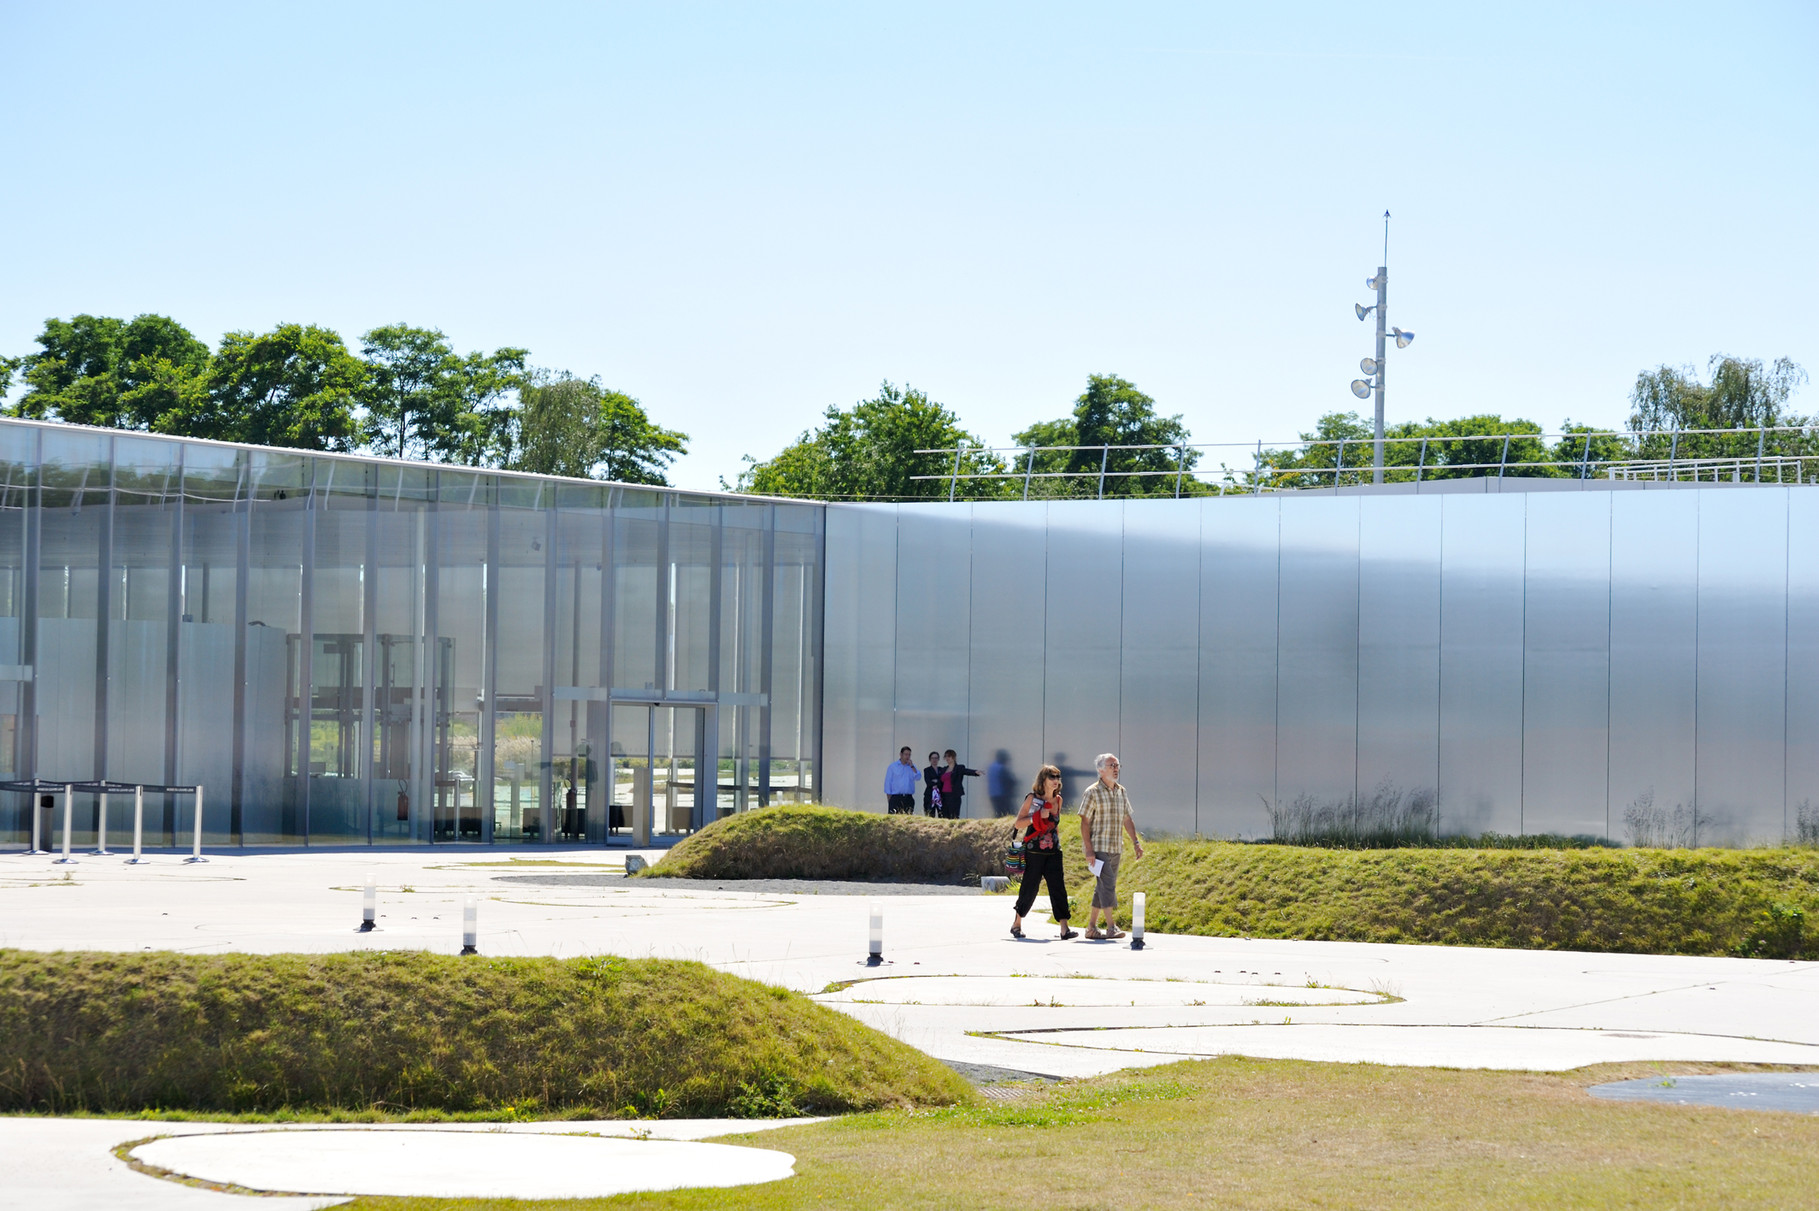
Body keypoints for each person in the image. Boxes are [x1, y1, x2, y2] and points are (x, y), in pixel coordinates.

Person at [1079, 752, 1143, 940]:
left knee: (1102, 886)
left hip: (1116, 846)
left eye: (1117, 766)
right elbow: (1084, 822)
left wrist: (1136, 842)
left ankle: (1091, 927)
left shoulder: (1121, 791)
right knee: (1108, 885)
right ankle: (1111, 926)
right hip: (1099, 846)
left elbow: (1127, 818)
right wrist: (1089, 849)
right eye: (1111, 766)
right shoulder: (1092, 792)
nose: (1116, 769)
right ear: (1100, 770)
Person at [1010, 764, 1076, 940]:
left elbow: (1054, 826)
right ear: (1043, 780)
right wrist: (1037, 816)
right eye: (1052, 777)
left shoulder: (1058, 800)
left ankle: (1064, 929)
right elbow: (1018, 823)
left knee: (1058, 888)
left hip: (1054, 851)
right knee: (1029, 888)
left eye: (1057, 777)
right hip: (1034, 852)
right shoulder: (1033, 799)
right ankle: (1017, 923)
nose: (1056, 781)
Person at [937, 749, 980, 820]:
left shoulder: (959, 768)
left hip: (954, 795)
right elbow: (940, 781)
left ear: (953, 757)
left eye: (949, 756)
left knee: (953, 816)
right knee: (945, 816)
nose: (947, 758)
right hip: (944, 796)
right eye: (946, 756)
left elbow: (966, 771)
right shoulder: (944, 769)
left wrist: (975, 772)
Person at [884, 746, 918, 814]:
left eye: (909, 754)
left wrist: (912, 766)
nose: (907, 756)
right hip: (896, 797)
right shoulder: (893, 766)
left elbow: (918, 777)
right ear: (901, 754)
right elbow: (888, 783)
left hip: (908, 797)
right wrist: (890, 799)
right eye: (906, 754)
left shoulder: (911, 767)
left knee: (908, 820)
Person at [987, 750, 1014, 817]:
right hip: (1001, 794)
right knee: (1006, 812)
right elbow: (1007, 781)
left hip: (993, 794)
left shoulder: (991, 767)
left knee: (998, 812)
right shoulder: (1001, 768)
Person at [922, 751, 942, 816]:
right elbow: (928, 782)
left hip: (940, 796)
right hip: (929, 795)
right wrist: (936, 782)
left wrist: (936, 782)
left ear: (938, 759)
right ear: (930, 759)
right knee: (929, 814)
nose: (934, 760)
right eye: (932, 758)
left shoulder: (942, 769)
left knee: (941, 814)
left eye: (936, 758)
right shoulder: (927, 770)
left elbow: (942, 781)